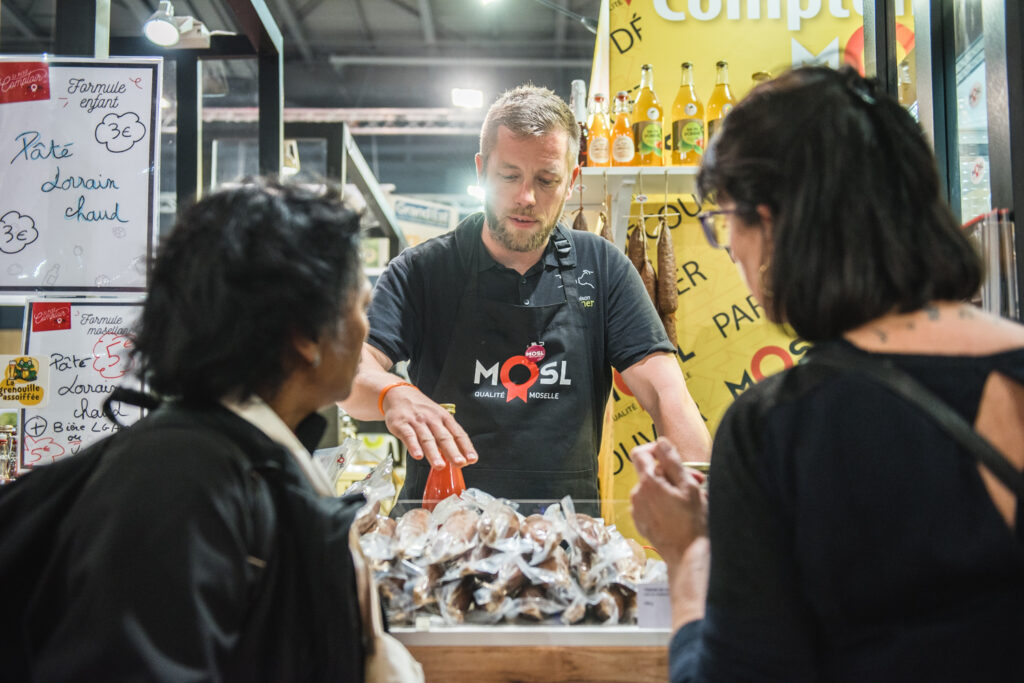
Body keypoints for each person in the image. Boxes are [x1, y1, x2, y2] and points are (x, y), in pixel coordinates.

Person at [630, 66, 1024, 681]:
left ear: (773, 225)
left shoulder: (779, 428)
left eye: (727, 221)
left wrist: (688, 556)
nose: (730, 248)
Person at [22, 179, 379, 680]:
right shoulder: (177, 479)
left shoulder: (246, 460)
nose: (366, 327)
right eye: (361, 306)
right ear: (304, 333)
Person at [340, 85, 710, 514]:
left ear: (571, 182)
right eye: (509, 176)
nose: (526, 198)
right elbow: (352, 373)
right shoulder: (422, 270)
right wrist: (392, 392)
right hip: (439, 535)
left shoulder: (603, 267)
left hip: (565, 537)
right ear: (482, 171)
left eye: (546, 180)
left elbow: (666, 393)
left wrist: (704, 505)